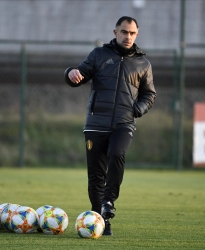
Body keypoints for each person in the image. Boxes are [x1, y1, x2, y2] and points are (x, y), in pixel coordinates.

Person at [64, 16, 156, 236]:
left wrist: (136, 110)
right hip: (96, 124)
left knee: (117, 154)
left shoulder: (143, 64)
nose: (128, 36)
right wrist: (70, 73)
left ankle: (109, 201)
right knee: (95, 175)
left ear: (137, 34)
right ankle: (100, 219)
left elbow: (149, 95)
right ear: (115, 33)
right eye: (124, 32)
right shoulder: (99, 55)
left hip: (123, 124)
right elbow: (79, 75)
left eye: (132, 33)